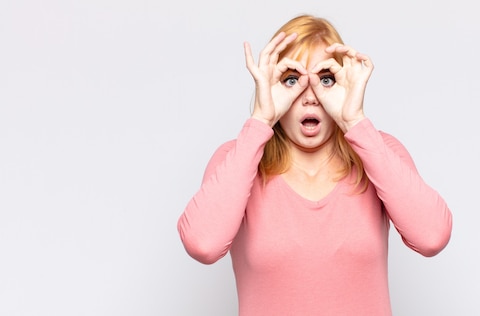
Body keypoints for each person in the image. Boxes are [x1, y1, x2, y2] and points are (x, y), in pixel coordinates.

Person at [177, 14, 453, 316]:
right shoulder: (238, 159)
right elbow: (202, 244)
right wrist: (260, 121)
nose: (310, 97)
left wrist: (355, 122)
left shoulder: (378, 152)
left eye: (325, 79)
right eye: (292, 79)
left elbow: (432, 237)